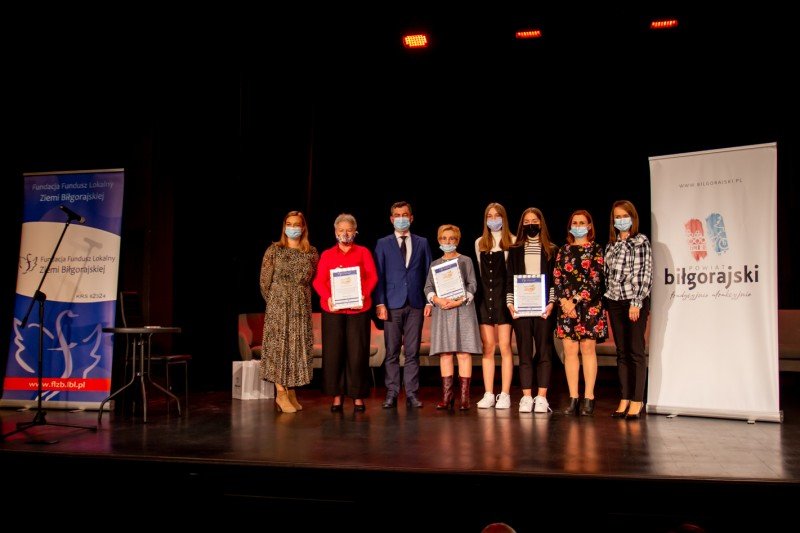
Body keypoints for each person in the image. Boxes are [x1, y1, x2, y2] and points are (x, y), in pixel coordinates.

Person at [312, 213, 378, 412]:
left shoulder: (363, 252)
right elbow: (318, 281)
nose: (345, 233)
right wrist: (328, 297)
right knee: (334, 353)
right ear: (335, 232)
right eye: (341, 230)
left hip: (358, 309)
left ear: (355, 231)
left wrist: (363, 295)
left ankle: (357, 396)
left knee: (357, 353)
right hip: (333, 310)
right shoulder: (327, 254)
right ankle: (337, 396)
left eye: (349, 230)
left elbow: (372, 277)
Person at [373, 201, 433, 409]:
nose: (401, 218)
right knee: (391, 351)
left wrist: (429, 300)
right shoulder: (383, 243)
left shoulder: (422, 242)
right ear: (391, 219)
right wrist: (380, 302)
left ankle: (412, 394)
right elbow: (379, 275)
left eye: (405, 215)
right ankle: (391, 393)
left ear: (411, 218)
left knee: (412, 352)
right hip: (391, 304)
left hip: (416, 303)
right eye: (397, 215)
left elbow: (429, 273)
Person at [259, 211, 319, 414]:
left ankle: (291, 390)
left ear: (303, 227)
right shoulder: (274, 250)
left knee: (295, 348)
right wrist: (277, 302)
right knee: (278, 347)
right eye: (289, 224)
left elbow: (314, 280)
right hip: (278, 305)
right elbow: (264, 282)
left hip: (301, 306)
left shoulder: (311, 252)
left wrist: (299, 299)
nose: (293, 227)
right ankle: (280, 393)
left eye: (297, 224)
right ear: (284, 227)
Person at [554, 209, 607, 416]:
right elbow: (557, 278)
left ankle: (589, 397)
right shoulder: (564, 250)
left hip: (589, 306)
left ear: (589, 226)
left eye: (581, 222)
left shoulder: (596, 249)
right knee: (569, 352)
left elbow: (595, 280)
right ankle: (573, 398)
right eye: (574, 223)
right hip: (566, 307)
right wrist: (565, 303)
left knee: (587, 350)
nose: (578, 226)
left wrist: (575, 302)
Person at [505, 208, 558, 413]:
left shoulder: (551, 249)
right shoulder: (515, 249)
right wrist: (510, 304)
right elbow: (510, 279)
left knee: (544, 352)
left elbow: (554, 281)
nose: (530, 224)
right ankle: (527, 397)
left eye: (534, 221)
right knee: (525, 353)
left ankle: (542, 397)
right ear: (522, 225)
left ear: (541, 223)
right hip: (521, 309)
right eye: (526, 221)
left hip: (544, 309)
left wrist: (551, 303)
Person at [424, 224, 482, 410]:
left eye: (451, 238)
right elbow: (428, 287)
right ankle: (447, 397)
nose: (447, 241)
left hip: (463, 310)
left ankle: (464, 399)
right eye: (444, 238)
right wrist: (436, 299)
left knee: (463, 353)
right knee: (446, 353)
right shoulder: (435, 264)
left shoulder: (466, 261)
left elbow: (472, 284)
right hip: (443, 311)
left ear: (457, 240)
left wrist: (459, 301)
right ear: (439, 240)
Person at [604, 200, 652, 420]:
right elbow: (608, 275)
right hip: (615, 301)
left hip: (634, 302)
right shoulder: (611, 245)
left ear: (632, 218)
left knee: (635, 351)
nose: (621, 220)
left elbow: (644, 273)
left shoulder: (641, 241)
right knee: (622, 352)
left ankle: (637, 400)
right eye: (618, 217)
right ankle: (624, 397)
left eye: (625, 216)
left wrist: (636, 301)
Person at [474, 203, 516, 409]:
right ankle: (489, 393)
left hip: (504, 298)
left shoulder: (513, 241)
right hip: (485, 299)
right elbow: (481, 273)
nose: (493, 219)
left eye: (496, 216)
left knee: (505, 346)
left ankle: (505, 394)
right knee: (488, 347)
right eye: (489, 216)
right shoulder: (480, 242)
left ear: (503, 218)